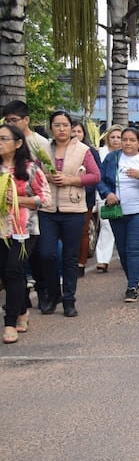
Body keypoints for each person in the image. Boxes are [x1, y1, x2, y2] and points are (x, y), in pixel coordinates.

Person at [38, 110, 101, 316]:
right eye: (57, 125)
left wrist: (71, 180)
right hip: (47, 208)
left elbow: (95, 176)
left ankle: (69, 300)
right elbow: (34, 173)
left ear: (71, 128)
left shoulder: (82, 150)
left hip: (73, 209)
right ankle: (53, 294)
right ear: (51, 128)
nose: (62, 129)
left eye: (65, 125)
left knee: (70, 257)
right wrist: (47, 177)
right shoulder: (43, 148)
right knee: (46, 254)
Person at [98, 127, 139, 302]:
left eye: (132, 140)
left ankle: (132, 286)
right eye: (124, 139)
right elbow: (99, 179)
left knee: (134, 250)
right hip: (117, 211)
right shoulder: (112, 158)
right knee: (123, 250)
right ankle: (133, 280)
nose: (127, 143)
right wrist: (107, 193)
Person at [0, 124, 50, 342]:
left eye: (4, 139)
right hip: (1, 230)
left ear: (18, 143)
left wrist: (19, 200)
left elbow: (45, 198)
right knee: (7, 273)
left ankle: (9, 322)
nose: (0, 143)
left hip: (24, 230)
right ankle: (21, 310)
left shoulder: (30, 169)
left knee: (14, 269)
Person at [71, 120, 101, 275]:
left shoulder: (90, 151)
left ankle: (81, 263)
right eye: (73, 131)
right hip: (66, 197)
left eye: (79, 131)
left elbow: (97, 176)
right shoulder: (63, 150)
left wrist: (83, 188)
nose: (76, 134)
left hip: (85, 197)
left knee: (83, 230)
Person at [95, 125, 123, 272]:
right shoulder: (101, 153)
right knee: (106, 225)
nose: (116, 140)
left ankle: (124, 256)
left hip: (124, 196)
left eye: (119, 137)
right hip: (104, 194)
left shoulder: (128, 154)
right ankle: (102, 260)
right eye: (112, 137)